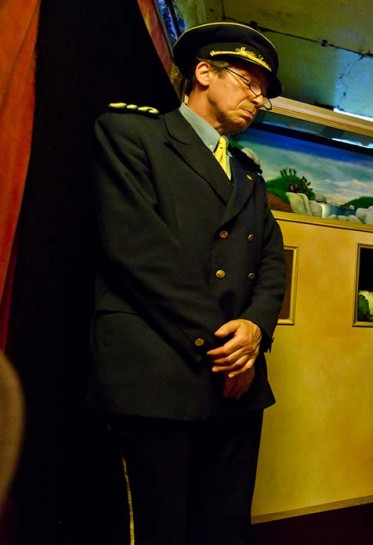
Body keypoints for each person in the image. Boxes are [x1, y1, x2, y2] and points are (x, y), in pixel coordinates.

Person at [89, 22, 287, 545]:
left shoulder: (247, 173)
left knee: (224, 525)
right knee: (163, 528)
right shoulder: (133, 135)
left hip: (238, 380)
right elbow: (139, 251)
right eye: (248, 83)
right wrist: (224, 346)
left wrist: (255, 329)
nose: (258, 99)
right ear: (203, 72)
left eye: (263, 92)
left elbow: (272, 261)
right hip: (160, 372)